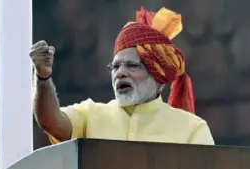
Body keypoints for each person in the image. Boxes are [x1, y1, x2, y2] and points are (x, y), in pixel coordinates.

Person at [30, 6, 215, 145]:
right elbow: (50, 121)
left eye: (132, 66)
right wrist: (43, 78)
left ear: (158, 76)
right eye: (115, 66)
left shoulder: (192, 129)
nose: (120, 73)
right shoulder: (91, 114)